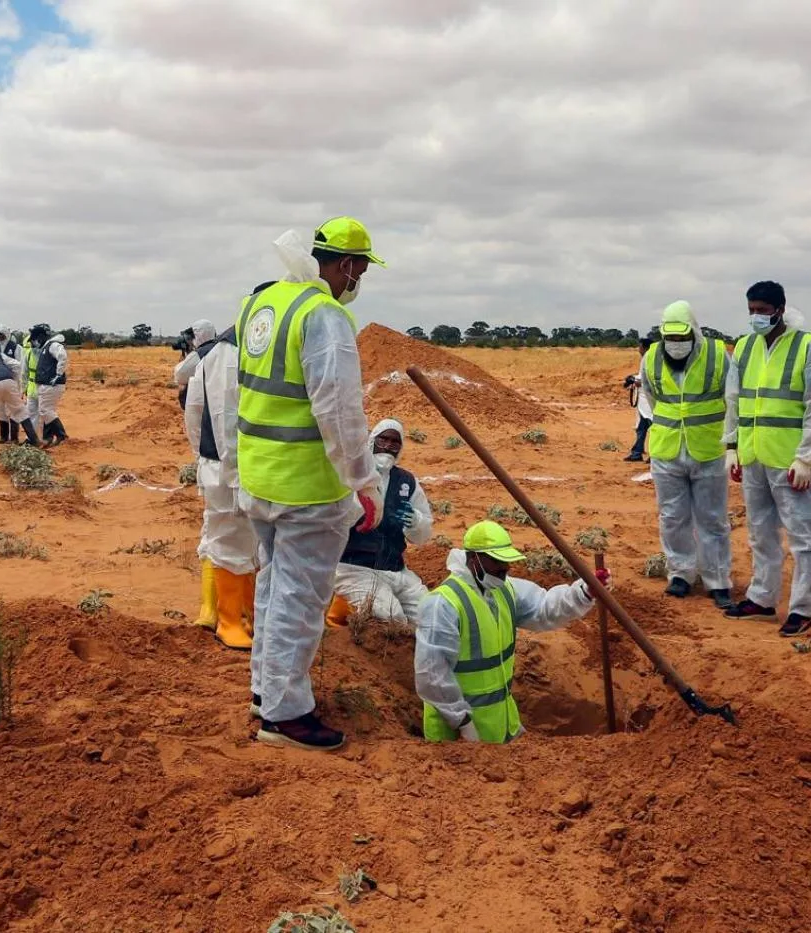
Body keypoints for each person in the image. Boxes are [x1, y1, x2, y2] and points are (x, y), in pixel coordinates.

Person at [237, 217, 385, 752]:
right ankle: (285, 716)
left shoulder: (265, 302)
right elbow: (339, 410)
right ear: (345, 265)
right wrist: (364, 483)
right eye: (361, 269)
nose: (359, 281)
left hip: (259, 477)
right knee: (299, 601)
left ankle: (265, 690)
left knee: (274, 588)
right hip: (308, 489)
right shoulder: (324, 316)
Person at [415, 521, 607, 744]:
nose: (504, 568)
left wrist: (584, 592)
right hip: (455, 740)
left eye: (506, 561)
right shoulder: (442, 605)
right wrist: (462, 723)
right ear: (474, 559)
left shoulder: (502, 590)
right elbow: (432, 676)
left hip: (501, 728)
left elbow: (544, 608)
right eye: (496, 561)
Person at [724, 281, 811, 636]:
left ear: (780, 309)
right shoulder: (744, 347)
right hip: (754, 456)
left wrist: (806, 456)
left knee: (805, 537)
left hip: (791, 462)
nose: (756, 316)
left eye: (762, 310)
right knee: (761, 534)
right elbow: (734, 400)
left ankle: (804, 608)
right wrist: (731, 447)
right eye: (751, 310)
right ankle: (762, 598)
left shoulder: (808, 347)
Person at [641, 301, 735, 610]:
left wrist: (731, 443)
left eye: (682, 339)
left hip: (708, 450)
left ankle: (718, 579)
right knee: (672, 516)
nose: (676, 345)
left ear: (694, 332)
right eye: (671, 339)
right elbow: (653, 401)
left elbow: (731, 399)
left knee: (712, 518)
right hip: (667, 450)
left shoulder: (718, 356)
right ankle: (680, 573)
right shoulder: (652, 357)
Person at [184, 305, 258, 650]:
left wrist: (204, 454)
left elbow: (194, 415)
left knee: (231, 538)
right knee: (231, 538)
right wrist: (229, 468)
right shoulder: (228, 353)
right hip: (231, 467)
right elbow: (221, 416)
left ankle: (226, 612)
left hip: (224, 463)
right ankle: (230, 619)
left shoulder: (220, 351)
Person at [328, 418, 435, 627]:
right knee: (390, 620)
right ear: (371, 441)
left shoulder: (406, 482)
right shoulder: (353, 475)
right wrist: (360, 505)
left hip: (397, 571)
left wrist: (416, 521)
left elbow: (422, 536)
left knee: (433, 616)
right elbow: (333, 523)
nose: (388, 446)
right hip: (354, 569)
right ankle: (343, 607)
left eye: (395, 443)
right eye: (383, 440)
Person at [35, 330, 71, 447]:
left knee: (45, 410)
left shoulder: (53, 345)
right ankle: (48, 437)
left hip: (51, 384)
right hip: (48, 384)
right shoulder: (47, 347)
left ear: (41, 338)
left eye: (35, 340)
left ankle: (61, 434)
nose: (34, 343)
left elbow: (62, 356)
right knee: (47, 411)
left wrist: (58, 374)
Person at [624, 336, 654, 462]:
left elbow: (649, 378)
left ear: (644, 347)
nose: (638, 349)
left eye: (639, 346)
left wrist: (636, 380)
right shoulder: (647, 358)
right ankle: (637, 452)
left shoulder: (650, 358)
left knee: (653, 427)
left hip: (650, 400)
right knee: (641, 428)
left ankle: (654, 455)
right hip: (643, 399)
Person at [174, 319, 218, 401]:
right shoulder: (221, 347)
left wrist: (189, 354)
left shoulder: (200, 353)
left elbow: (180, 375)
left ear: (198, 336)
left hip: (208, 401)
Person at [0, 330, 21, 444]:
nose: (0, 337)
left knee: (12, 409)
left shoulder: (16, 347)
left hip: (12, 382)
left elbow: (20, 365)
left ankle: (14, 438)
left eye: (2, 334)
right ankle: (3, 437)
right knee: (0, 409)